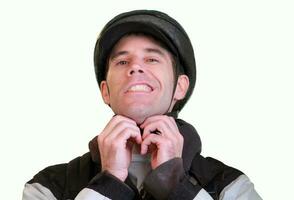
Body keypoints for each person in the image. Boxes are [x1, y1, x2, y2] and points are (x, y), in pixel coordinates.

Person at [22, 10, 262, 200]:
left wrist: (176, 187)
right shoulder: (47, 187)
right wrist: (108, 185)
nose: (135, 67)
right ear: (105, 91)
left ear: (180, 86)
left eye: (151, 58)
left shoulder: (230, 186)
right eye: (123, 61)